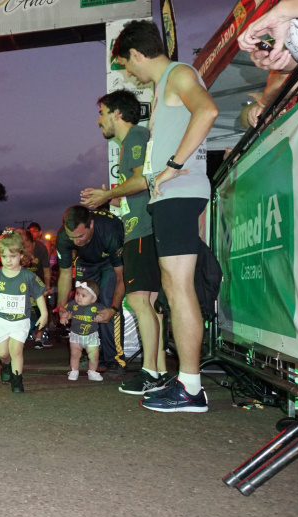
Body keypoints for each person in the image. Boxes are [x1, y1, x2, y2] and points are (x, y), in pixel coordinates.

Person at [113, 20, 218, 412]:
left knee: (178, 288)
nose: (129, 72)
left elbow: (207, 110)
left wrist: (174, 165)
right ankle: (186, 381)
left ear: (138, 55)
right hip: (171, 197)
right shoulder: (165, 85)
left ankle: (191, 388)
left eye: (127, 64)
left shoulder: (178, 74)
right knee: (174, 290)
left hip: (179, 193)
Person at [81, 90, 170, 395]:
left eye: (102, 112)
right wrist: (115, 198)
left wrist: (109, 195)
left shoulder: (135, 137)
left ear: (116, 114)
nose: (99, 120)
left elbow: (144, 180)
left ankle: (151, 373)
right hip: (143, 227)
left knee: (138, 300)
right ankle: (158, 371)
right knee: (152, 305)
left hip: (143, 231)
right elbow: (140, 185)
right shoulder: (136, 139)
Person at [0, 229, 48, 394]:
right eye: (4, 256)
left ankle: (17, 380)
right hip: (1, 321)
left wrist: (44, 313)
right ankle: (6, 366)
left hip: (21, 320)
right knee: (3, 353)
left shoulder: (28, 276)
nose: (8, 260)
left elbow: (39, 294)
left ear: (21, 255)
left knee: (16, 350)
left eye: (12, 256)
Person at [55, 206, 127, 377]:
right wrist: (61, 305)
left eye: (80, 236)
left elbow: (120, 276)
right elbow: (65, 274)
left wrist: (114, 308)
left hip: (111, 263)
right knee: (83, 303)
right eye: (72, 237)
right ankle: (95, 355)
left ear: (91, 225)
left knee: (107, 303)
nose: (76, 242)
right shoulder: (64, 237)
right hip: (86, 264)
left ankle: (115, 360)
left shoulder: (110, 229)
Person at [60, 280, 105, 382]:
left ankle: (92, 372)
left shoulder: (97, 306)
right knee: (75, 354)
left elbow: (105, 314)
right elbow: (65, 311)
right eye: (77, 294)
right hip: (76, 335)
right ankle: (74, 370)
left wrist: (100, 316)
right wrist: (64, 317)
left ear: (93, 299)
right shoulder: (72, 304)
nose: (79, 297)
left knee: (94, 355)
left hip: (91, 336)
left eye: (83, 296)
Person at [21, 230, 53, 350]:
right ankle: (22, 336)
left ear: (32, 242)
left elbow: (46, 269)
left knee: (39, 310)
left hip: (37, 282)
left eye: (28, 246)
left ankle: (39, 337)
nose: (26, 249)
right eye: (23, 247)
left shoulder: (41, 248)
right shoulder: (18, 249)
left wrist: (47, 286)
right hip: (22, 283)